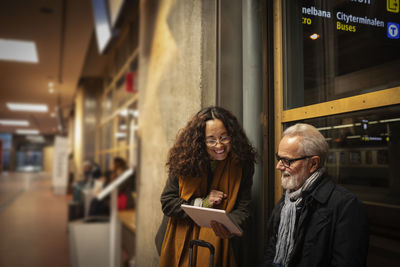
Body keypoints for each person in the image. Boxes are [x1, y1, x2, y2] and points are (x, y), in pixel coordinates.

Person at [158, 106, 257, 267]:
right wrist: (202, 204)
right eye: (211, 140)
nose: (219, 146)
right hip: (180, 239)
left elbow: (244, 208)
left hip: (222, 244)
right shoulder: (184, 160)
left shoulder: (242, 162)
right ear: (200, 141)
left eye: (224, 138)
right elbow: (168, 202)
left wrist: (228, 224)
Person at [263, 123, 369, 267]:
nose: (279, 166)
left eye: (287, 161)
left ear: (313, 164)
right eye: (278, 158)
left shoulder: (346, 206)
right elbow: (272, 250)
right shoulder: (287, 200)